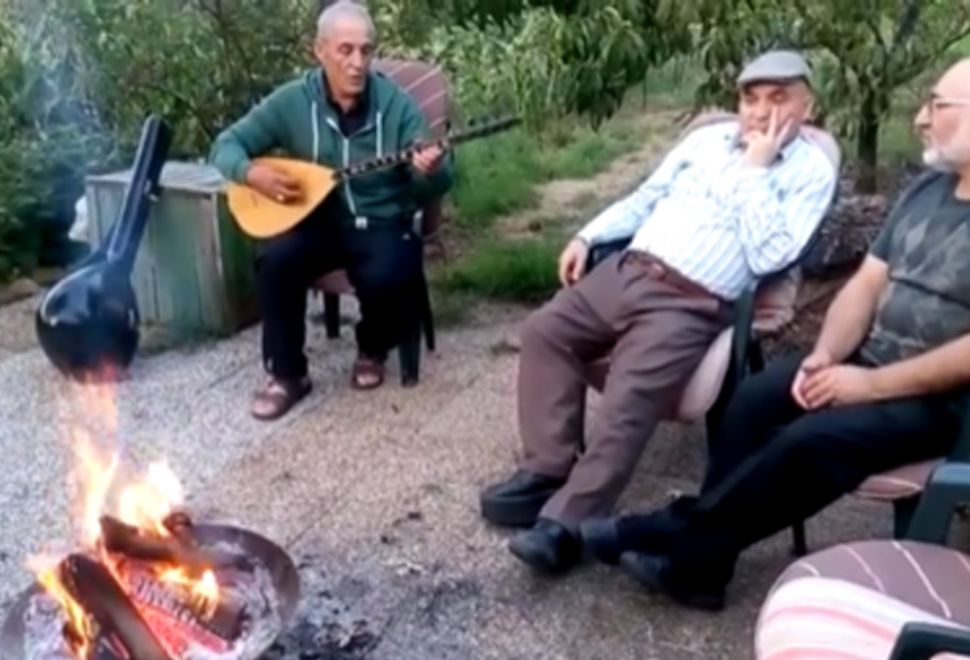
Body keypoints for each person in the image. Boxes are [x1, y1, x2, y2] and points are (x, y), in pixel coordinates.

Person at [580, 58, 970, 610]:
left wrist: (866, 387)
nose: (921, 119)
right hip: (869, 357)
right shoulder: (927, 190)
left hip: (944, 402)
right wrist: (828, 354)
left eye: (938, 105)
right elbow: (864, 285)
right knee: (755, 400)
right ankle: (703, 570)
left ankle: (677, 533)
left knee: (808, 441)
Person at [478, 49, 837, 573]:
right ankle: (548, 470)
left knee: (629, 395)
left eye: (778, 98)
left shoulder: (810, 170)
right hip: (626, 271)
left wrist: (755, 172)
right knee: (544, 331)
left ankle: (567, 524)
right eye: (751, 98)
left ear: (808, 105)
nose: (761, 112)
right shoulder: (705, 141)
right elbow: (646, 197)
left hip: (689, 302)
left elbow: (771, 258)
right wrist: (588, 234)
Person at [210, 1, 452, 420]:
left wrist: (429, 169)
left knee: (389, 270)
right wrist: (251, 175)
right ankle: (288, 374)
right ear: (318, 50)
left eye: (366, 50)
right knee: (276, 260)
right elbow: (225, 146)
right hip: (320, 219)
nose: (357, 63)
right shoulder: (291, 102)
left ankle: (373, 347)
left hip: (382, 219)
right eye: (345, 50)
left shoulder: (396, 107)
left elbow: (439, 181)